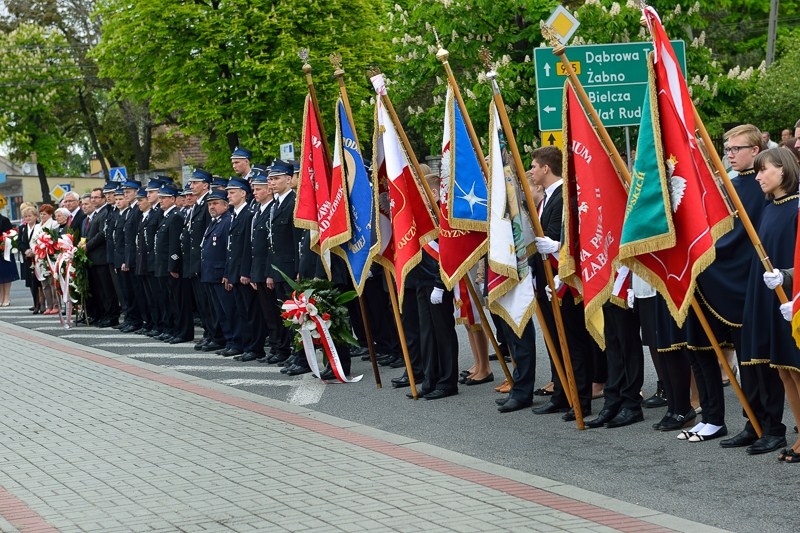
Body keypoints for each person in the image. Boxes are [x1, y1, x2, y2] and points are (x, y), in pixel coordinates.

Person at [715, 126, 787, 454]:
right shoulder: (733, 183)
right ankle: (753, 421)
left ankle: (773, 426)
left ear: (755, 151)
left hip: (758, 281)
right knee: (747, 359)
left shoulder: (763, 190)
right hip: (736, 283)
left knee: (764, 360)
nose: (730, 154)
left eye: (736, 148)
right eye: (727, 148)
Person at [742, 147, 800, 460]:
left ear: (784, 169)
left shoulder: (797, 207)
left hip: (792, 299)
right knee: (784, 371)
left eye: (764, 170)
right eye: (757, 171)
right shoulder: (770, 208)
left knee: (797, 369)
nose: (758, 177)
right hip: (771, 297)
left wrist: (787, 279)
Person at [530, 146, 594, 420]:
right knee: (555, 340)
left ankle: (580, 399)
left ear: (546, 168)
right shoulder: (546, 198)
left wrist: (555, 249)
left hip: (563, 280)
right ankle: (561, 394)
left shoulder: (565, 197)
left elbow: (563, 237)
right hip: (545, 280)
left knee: (572, 341)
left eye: (534, 166)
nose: (531, 171)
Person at [30, 204, 60, 314]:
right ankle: (49, 305)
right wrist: (36, 249)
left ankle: (56, 305)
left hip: (50, 255)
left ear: (50, 215)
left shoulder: (54, 224)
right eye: (41, 214)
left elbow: (55, 239)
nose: (42, 216)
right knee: (44, 283)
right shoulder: (37, 226)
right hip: (39, 256)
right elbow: (33, 240)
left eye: (45, 214)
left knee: (52, 282)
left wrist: (46, 247)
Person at [18, 206, 41, 312]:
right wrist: (25, 250)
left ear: (35, 216)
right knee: (31, 281)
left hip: (38, 256)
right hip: (27, 257)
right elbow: (20, 242)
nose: (27, 218)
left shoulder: (39, 226)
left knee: (39, 281)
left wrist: (34, 251)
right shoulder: (22, 228)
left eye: (30, 216)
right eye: (26, 216)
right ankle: (35, 303)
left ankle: (42, 303)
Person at [0, 210, 19, 306]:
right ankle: (0, 297)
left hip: (4, 251)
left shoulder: (4, 220)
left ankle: (6, 297)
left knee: (6, 275)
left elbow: (10, 234)